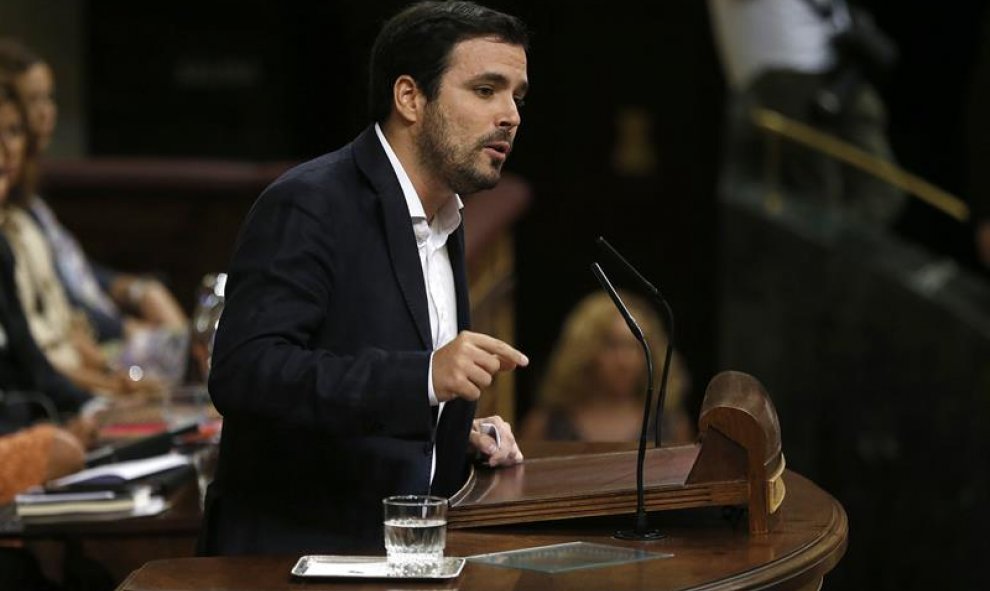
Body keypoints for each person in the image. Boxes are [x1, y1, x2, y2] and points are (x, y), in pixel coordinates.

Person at [201, 1, 530, 555]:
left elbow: (376, 390)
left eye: (517, 97)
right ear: (410, 98)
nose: (511, 115)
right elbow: (245, 373)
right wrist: (423, 379)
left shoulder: (446, 215)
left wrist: (447, 431)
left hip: (400, 556)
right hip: (293, 561)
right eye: (485, 90)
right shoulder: (309, 203)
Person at [0, 38, 188, 347]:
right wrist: (133, 333)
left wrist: (136, 289)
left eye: (50, 98)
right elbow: (55, 303)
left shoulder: (28, 199)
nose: (48, 113)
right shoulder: (10, 208)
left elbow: (75, 271)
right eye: (33, 100)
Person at [707, 0, 905, 227]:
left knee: (882, 192)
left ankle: (833, 250)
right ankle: (822, 251)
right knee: (815, 202)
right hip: (785, 79)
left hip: (840, 77)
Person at [521, 291, 694, 444]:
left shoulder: (671, 426)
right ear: (584, 352)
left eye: (635, 346)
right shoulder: (545, 425)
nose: (624, 361)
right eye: (612, 345)